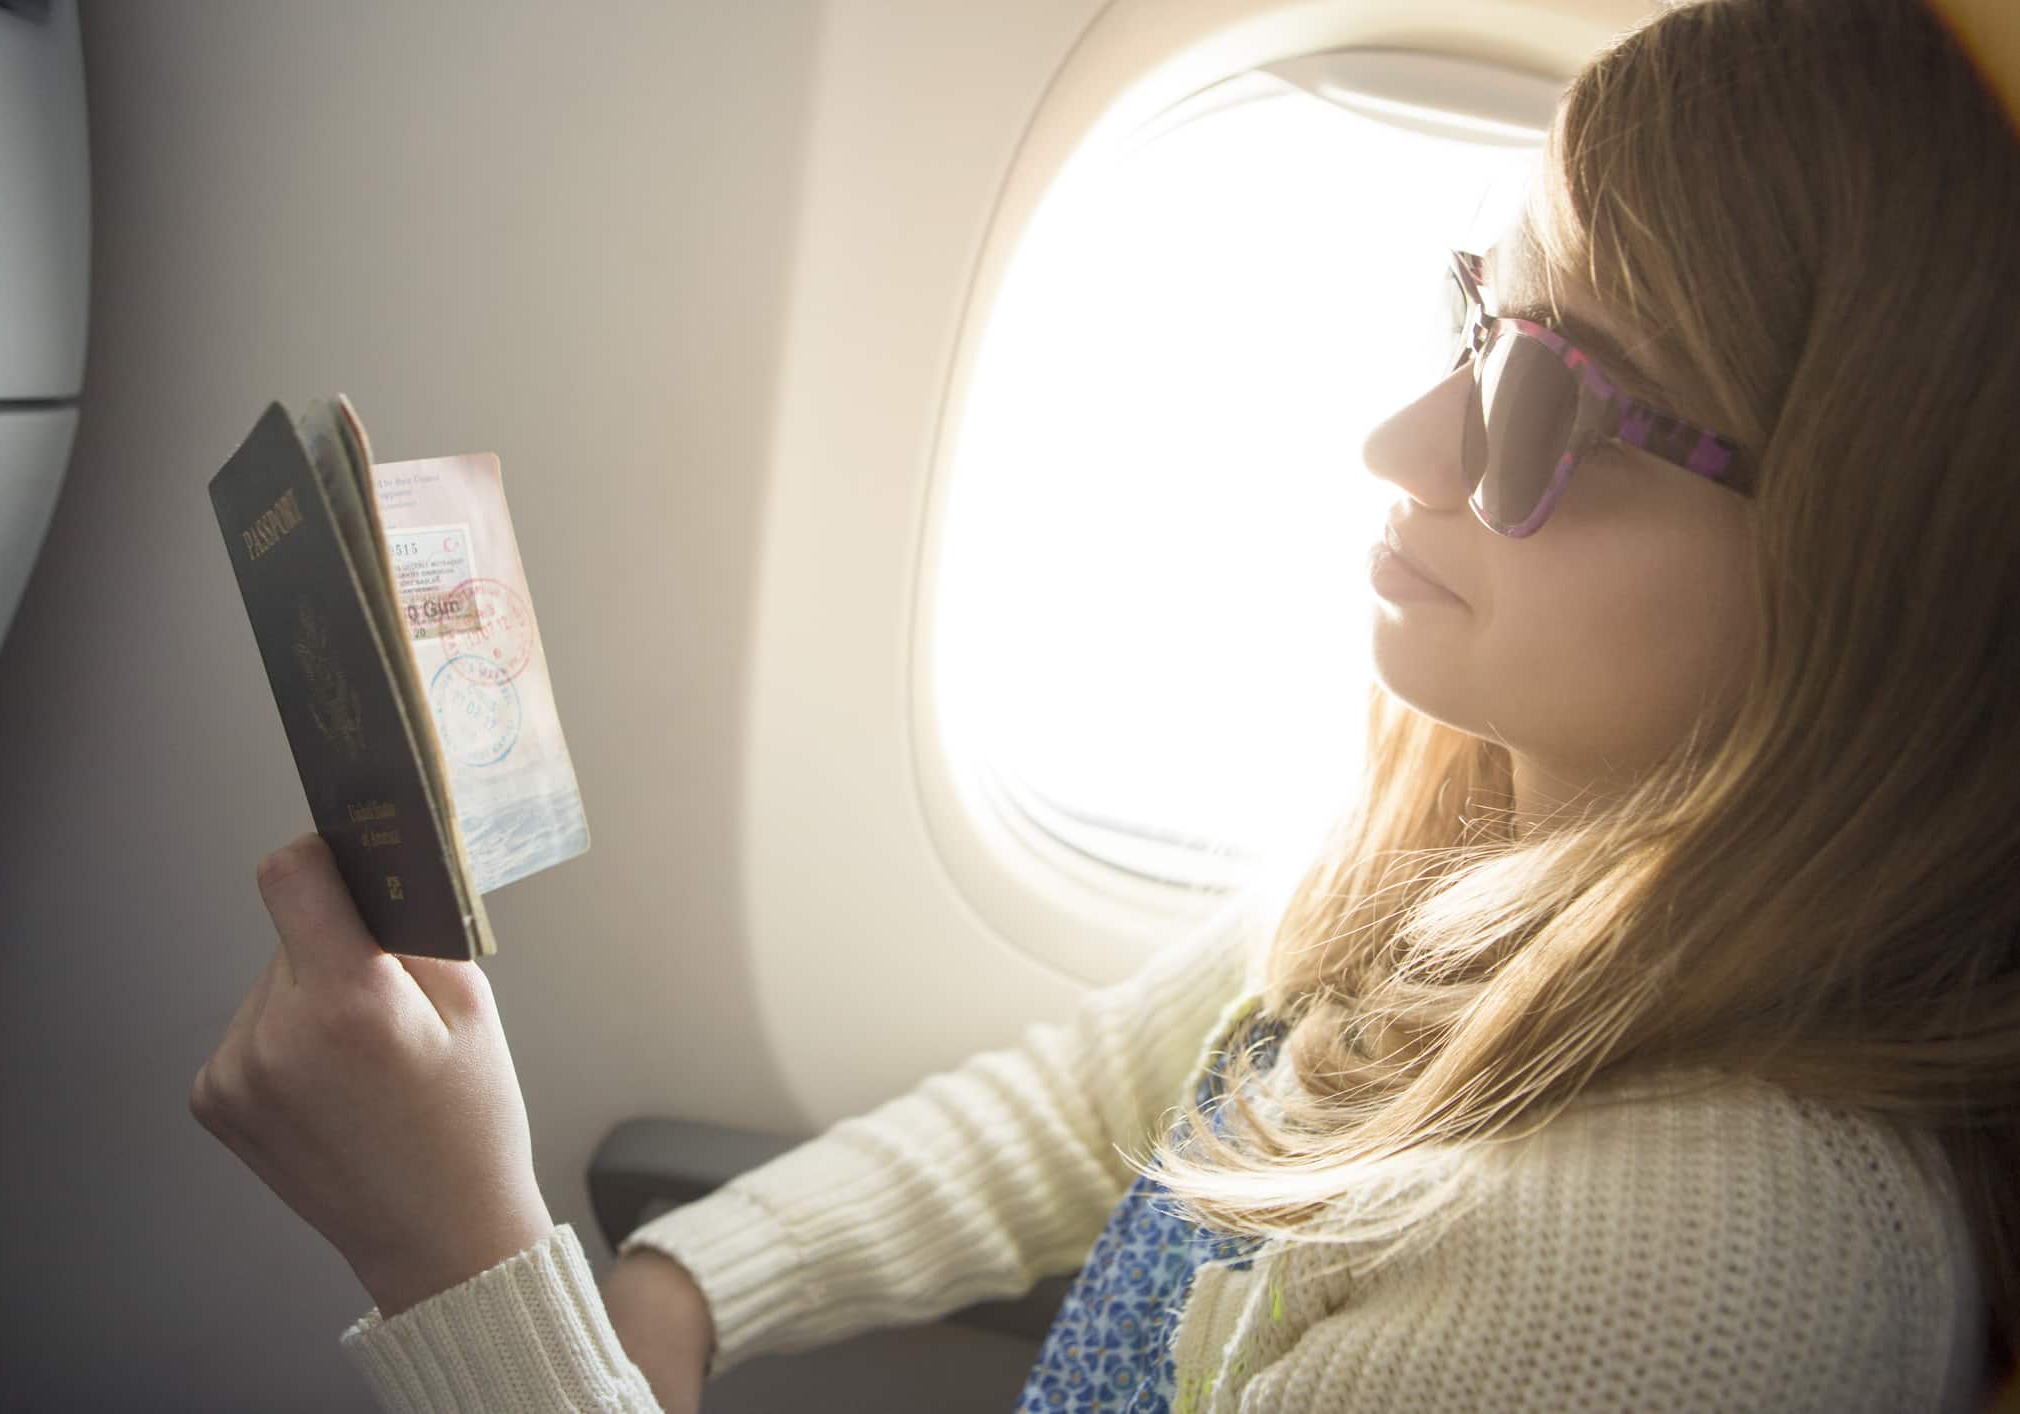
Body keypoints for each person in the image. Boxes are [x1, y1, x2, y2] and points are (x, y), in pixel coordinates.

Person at [189, 0, 2019, 1408]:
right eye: (1478, 318)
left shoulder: (1681, 1268)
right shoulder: (1481, 852)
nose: (1396, 440)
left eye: (1555, 406)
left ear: (1853, 559)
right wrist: (693, 1283)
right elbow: (1102, 1110)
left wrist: (456, 1257)